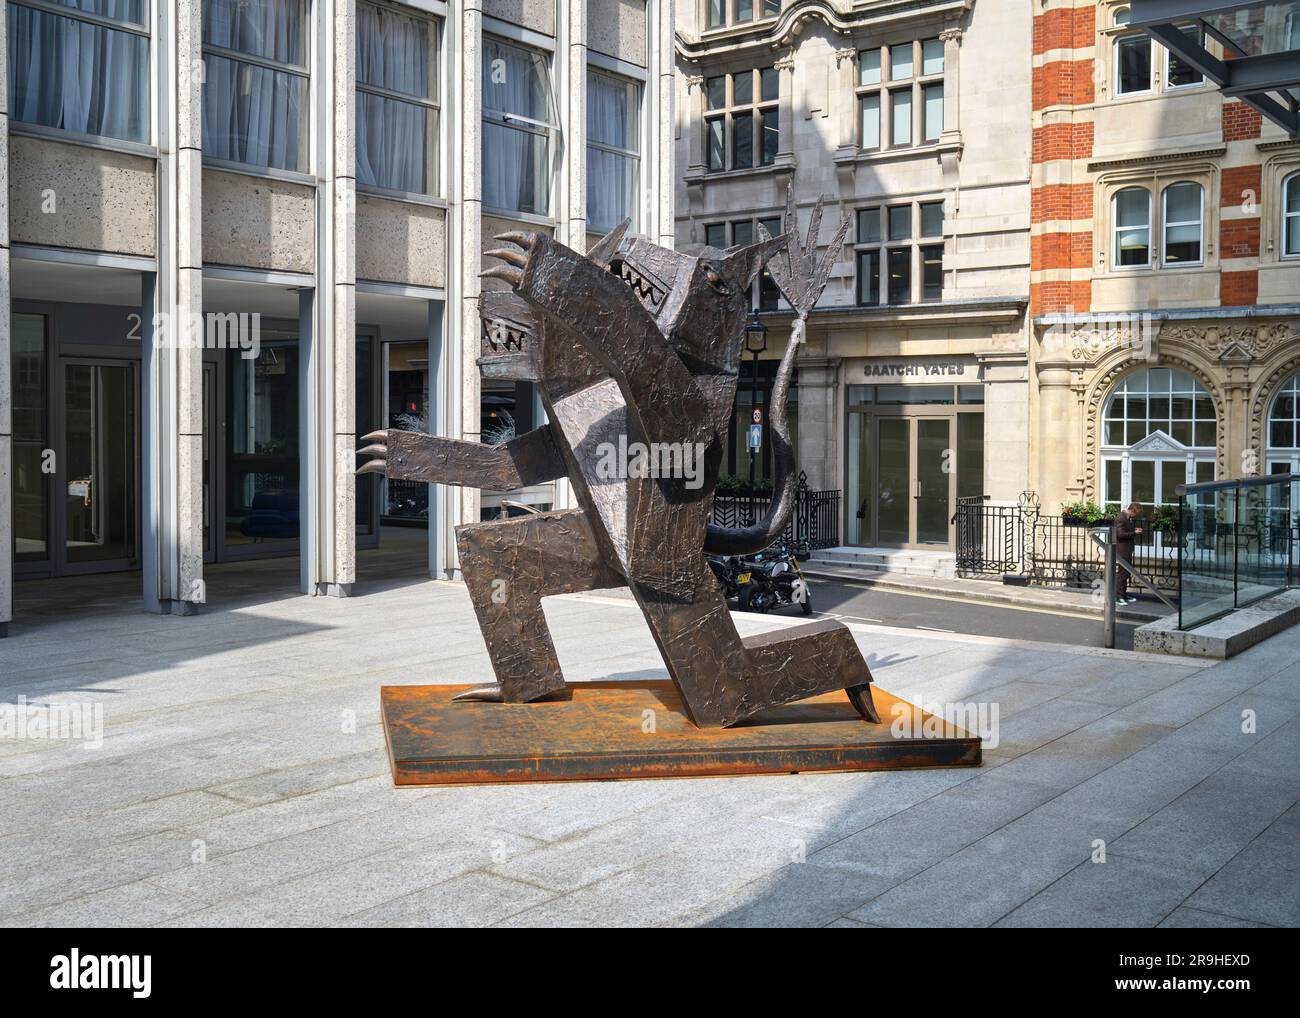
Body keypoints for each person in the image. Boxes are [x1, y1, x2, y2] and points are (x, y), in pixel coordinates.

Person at [1114, 501, 1144, 606]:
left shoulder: (1127, 518)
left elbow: (1125, 531)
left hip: (1126, 549)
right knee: (1123, 574)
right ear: (1132, 510)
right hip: (1123, 550)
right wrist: (1134, 533)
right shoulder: (1120, 518)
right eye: (1135, 514)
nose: (1135, 516)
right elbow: (1121, 534)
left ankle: (1123, 594)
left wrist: (1134, 530)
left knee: (1126, 573)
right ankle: (1119, 597)